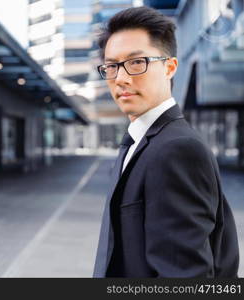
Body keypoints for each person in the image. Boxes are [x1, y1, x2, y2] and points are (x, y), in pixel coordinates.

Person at [93, 6, 239, 278]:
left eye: (137, 63)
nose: (121, 78)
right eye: (112, 66)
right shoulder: (140, 142)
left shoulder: (176, 149)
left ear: (170, 67)